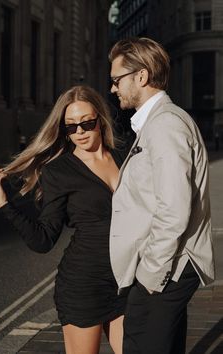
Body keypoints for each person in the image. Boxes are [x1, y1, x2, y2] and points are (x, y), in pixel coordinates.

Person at [0, 85, 129, 354]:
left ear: (100, 118)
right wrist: (4, 203)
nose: (80, 132)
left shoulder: (124, 157)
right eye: (71, 127)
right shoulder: (59, 172)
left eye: (87, 123)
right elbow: (43, 240)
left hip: (125, 281)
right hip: (83, 284)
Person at [108, 37, 215, 354]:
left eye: (117, 80)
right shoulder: (156, 124)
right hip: (169, 269)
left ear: (140, 77)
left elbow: (174, 209)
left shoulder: (166, 126)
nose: (113, 89)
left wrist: (149, 276)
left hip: (168, 270)